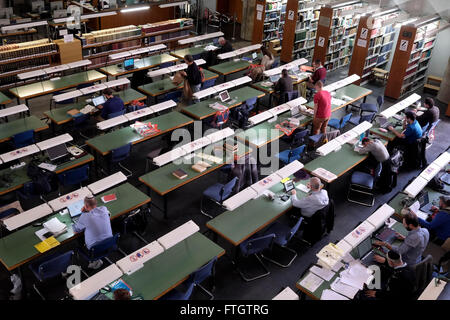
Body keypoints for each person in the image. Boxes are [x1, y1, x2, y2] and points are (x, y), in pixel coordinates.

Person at [73, 196, 113, 269]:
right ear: (96, 203)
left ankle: (93, 260)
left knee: (78, 239)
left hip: (94, 248)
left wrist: (84, 213)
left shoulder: (85, 216)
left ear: (86, 206)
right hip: (109, 243)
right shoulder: (104, 209)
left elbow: (76, 231)